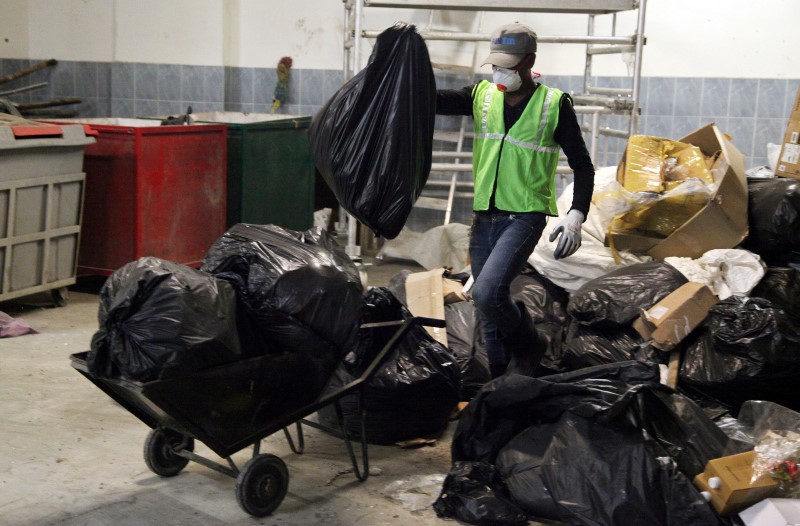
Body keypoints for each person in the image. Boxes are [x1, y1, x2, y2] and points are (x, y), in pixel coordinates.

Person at [436, 22, 595, 378]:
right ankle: (500, 382)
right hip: (485, 217)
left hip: (524, 217)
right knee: (487, 308)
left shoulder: (554, 105)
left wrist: (576, 214)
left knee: (489, 291)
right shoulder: (483, 95)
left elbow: (583, 166)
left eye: (508, 65)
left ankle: (529, 343)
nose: (500, 72)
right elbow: (434, 101)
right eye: (495, 65)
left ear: (529, 62)